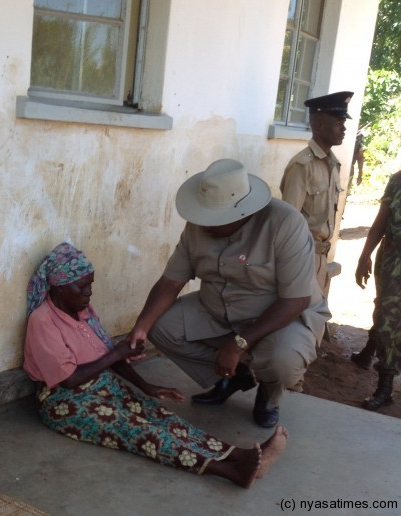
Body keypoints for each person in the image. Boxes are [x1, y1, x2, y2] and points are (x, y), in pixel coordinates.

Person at [23, 242, 288, 489]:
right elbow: (68, 379)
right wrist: (118, 354)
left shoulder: (82, 311)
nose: (88, 293)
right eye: (80, 287)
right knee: (138, 430)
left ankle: (240, 454)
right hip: (64, 402)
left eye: (90, 285)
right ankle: (229, 472)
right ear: (58, 287)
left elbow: (108, 356)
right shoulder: (43, 321)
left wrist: (147, 386)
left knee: (162, 417)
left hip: (101, 385)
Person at [128, 159, 331, 428]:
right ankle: (233, 375)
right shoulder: (198, 225)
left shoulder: (284, 223)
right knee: (160, 327)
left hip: (279, 317)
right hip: (217, 309)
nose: (207, 225)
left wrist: (238, 344)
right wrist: (141, 327)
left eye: (216, 219)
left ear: (243, 212)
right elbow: (170, 282)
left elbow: (296, 300)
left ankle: (269, 395)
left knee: (283, 361)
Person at [280, 91, 354, 295]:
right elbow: (288, 221)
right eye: (339, 122)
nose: (344, 128)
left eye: (344, 122)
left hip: (321, 256)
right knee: (301, 321)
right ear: (319, 125)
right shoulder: (302, 166)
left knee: (316, 318)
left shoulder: (333, 163)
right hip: (301, 258)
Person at [354, 171, 401, 410]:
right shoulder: (397, 180)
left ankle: (368, 352)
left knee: (390, 318)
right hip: (393, 261)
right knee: (386, 316)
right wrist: (365, 256)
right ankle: (386, 385)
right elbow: (381, 222)